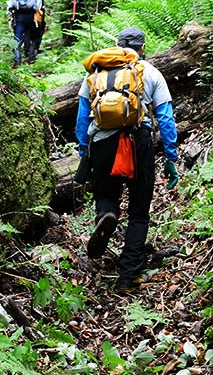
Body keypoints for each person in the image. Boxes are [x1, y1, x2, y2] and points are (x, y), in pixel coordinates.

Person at [75, 26, 179, 293]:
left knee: (106, 193)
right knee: (139, 211)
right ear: (142, 47)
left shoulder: (95, 74)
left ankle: (106, 213)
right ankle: (128, 276)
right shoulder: (150, 72)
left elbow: (81, 120)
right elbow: (166, 118)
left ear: (118, 45)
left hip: (102, 144)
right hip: (137, 142)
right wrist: (170, 157)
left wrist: (84, 152)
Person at [5, 0, 44, 65]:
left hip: (18, 14)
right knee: (31, 35)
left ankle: (17, 59)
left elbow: (9, 3)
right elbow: (39, 5)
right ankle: (31, 58)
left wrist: (10, 13)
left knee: (17, 36)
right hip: (31, 14)